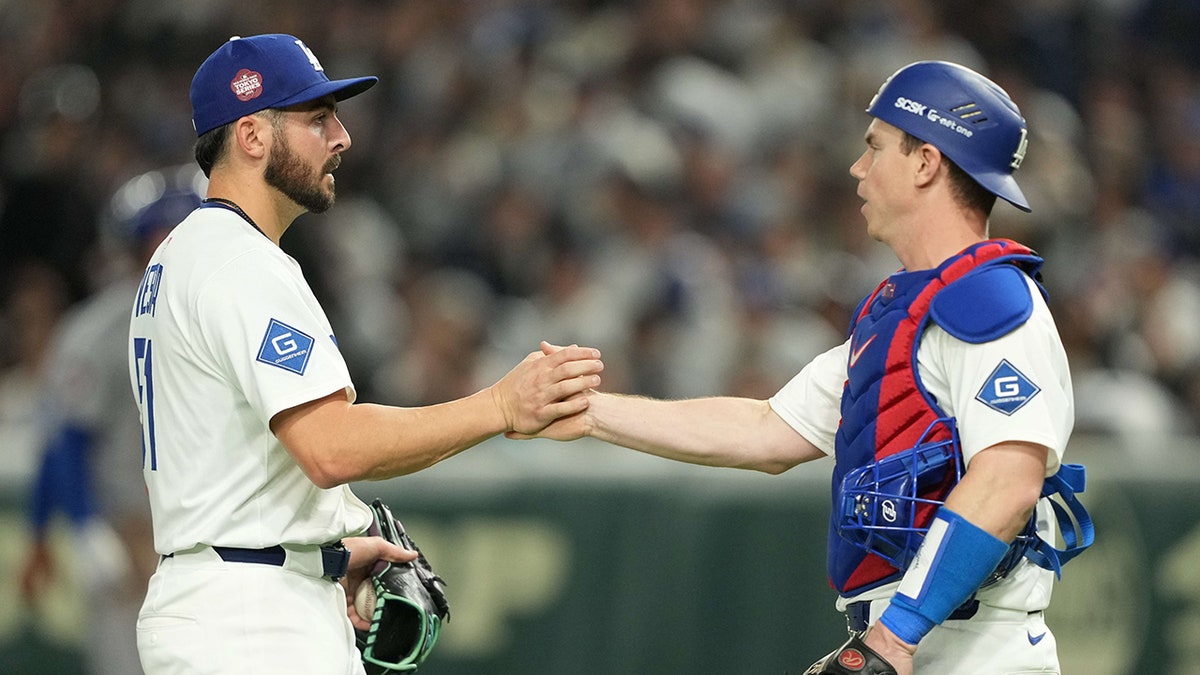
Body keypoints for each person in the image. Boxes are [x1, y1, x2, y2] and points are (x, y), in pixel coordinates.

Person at [514, 61, 1091, 675]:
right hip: (916, 641)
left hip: (974, 648)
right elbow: (767, 430)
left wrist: (895, 637)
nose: (857, 168)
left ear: (926, 162)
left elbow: (1008, 480)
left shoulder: (991, 302)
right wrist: (588, 409)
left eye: (875, 148)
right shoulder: (902, 311)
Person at [129, 34, 603, 674]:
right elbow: (332, 448)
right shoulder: (240, 262)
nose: (342, 136)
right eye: (316, 119)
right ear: (250, 135)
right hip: (249, 620)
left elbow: (240, 462)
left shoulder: (187, 253)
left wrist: (322, 551)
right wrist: (499, 406)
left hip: (230, 593)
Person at [18, 165, 202, 674]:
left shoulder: (223, 316)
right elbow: (64, 443)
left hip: (206, 532)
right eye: (158, 236)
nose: (169, 247)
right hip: (129, 531)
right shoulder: (102, 330)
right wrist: (79, 528)